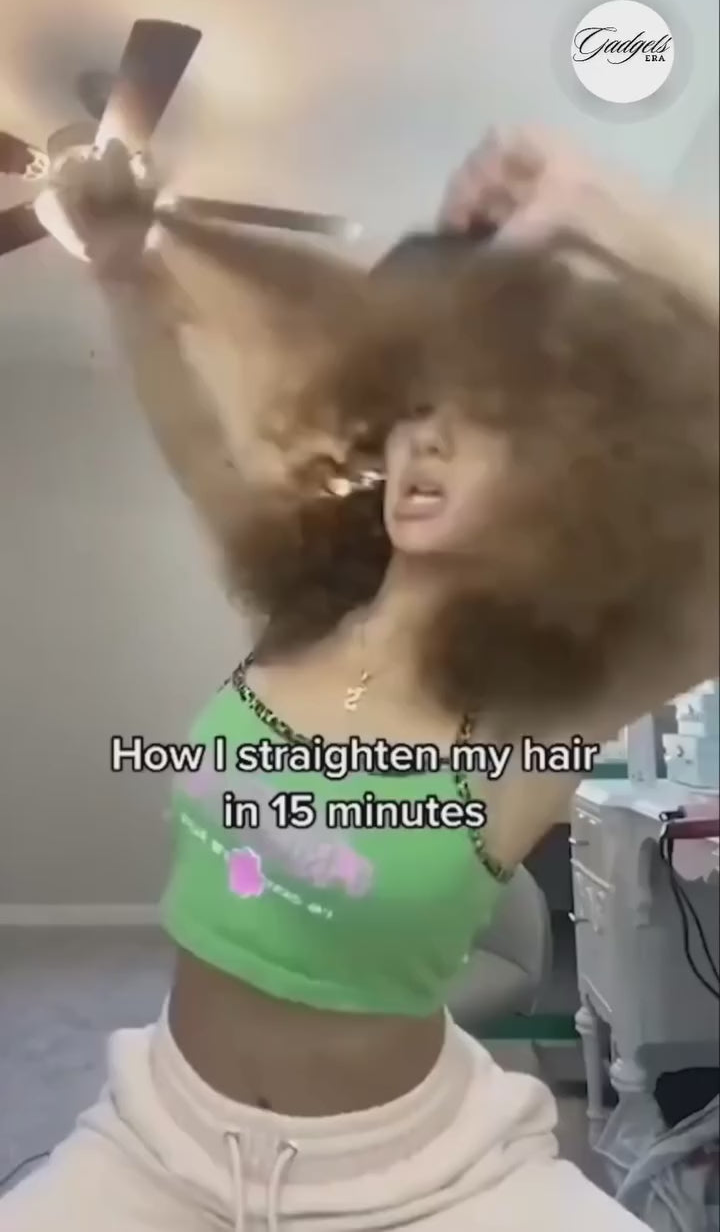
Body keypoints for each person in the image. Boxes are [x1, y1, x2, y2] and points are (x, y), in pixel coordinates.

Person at [1, 128, 717, 1232]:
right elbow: (187, 417)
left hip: (424, 1169)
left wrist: (600, 212)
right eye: (417, 412)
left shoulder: (539, 715)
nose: (426, 443)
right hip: (161, 1132)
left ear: (564, 478)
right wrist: (124, 265)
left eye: (480, 423)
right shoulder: (303, 608)